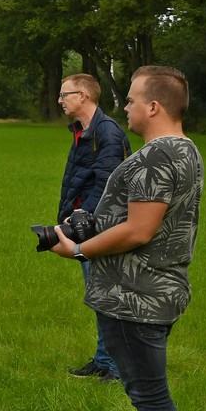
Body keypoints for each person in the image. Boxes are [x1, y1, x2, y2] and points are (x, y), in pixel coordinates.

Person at [50, 64, 202, 411]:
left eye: (133, 99)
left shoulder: (158, 155)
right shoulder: (186, 150)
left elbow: (138, 231)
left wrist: (78, 249)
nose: (127, 107)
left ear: (154, 106)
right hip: (157, 288)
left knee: (150, 395)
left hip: (137, 295)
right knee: (149, 391)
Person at [56, 73, 130, 381]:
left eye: (65, 95)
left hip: (100, 226)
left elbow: (108, 182)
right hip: (84, 224)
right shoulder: (83, 130)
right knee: (97, 296)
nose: (60, 100)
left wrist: (83, 212)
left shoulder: (106, 133)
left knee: (107, 298)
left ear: (83, 96)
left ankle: (114, 368)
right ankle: (102, 361)